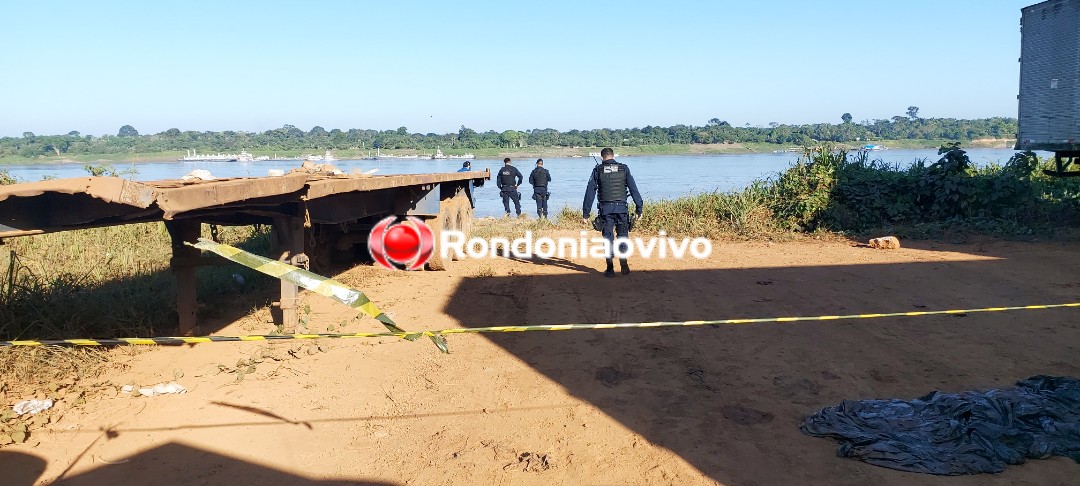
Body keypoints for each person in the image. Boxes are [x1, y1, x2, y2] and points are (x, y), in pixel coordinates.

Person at [582, 147, 643, 277]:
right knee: (623, 235)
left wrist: (586, 213)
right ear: (613, 156)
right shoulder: (624, 168)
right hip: (621, 209)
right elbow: (633, 189)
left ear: (602, 157)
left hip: (606, 210)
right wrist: (639, 208)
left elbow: (590, 192)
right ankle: (623, 260)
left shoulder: (598, 170)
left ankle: (610, 269)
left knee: (608, 237)